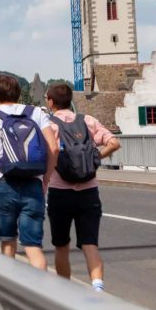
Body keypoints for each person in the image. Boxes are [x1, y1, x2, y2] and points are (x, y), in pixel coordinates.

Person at [0, 75, 59, 270]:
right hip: (33, 182)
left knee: (8, 243)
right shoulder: (36, 113)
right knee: (33, 247)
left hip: (3, 183)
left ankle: (10, 294)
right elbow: (54, 148)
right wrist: (46, 177)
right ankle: (41, 293)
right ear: (19, 94)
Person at [46, 83, 121, 291]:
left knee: (61, 245)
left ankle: (66, 291)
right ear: (70, 100)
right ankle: (97, 286)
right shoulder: (87, 121)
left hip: (60, 192)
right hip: (89, 191)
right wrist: (96, 157)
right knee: (90, 244)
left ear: (50, 102)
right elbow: (114, 143)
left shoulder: (48, 125)